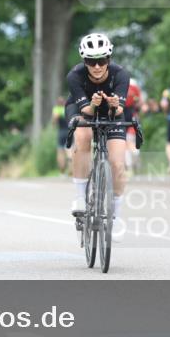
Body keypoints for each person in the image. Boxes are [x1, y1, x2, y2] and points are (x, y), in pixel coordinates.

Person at [65, 33, 129, 228]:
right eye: (91, 61)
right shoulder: (74, 76)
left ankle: (116, 216)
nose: (97, 66)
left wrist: (114, 105)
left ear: (109, 59)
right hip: (83, 109)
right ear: (84, 61)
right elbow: (86, 111)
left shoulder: (121, 74)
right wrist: (93, 105)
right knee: (83, 136)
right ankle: (80, 197)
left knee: (117, 164)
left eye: (102, 60)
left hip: (111, 113)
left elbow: (119, 110)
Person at [124, 77, 144, 175]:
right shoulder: (136, 88)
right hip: (133, 115)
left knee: (124, 143)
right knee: (130, 140)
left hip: (121, 115)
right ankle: (136, 154)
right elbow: (140, 103)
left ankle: (129, 167)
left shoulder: (120, 84)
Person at [51, 97, 70, 175]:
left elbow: (54, 121)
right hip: (69, 131)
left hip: (61, 132)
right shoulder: (67, 108)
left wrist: (54, 123)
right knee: (69, 150)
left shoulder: (56, 109)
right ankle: (71, 169)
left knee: (60, 152)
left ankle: (62, 172)